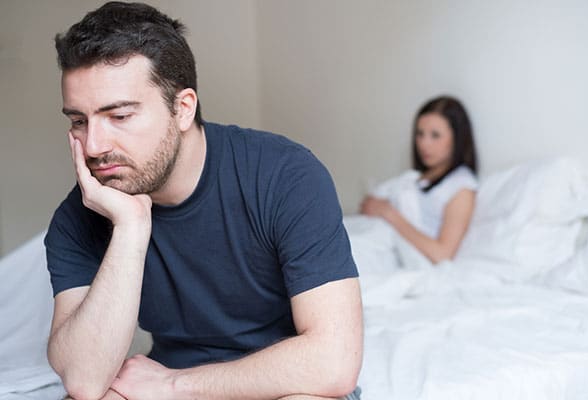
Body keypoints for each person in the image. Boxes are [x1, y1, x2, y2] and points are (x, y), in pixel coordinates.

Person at [44, 2, 363, 400]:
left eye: (120, 116)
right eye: (79, 121)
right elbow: (84, 380)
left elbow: (334, 362)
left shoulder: (286, 175)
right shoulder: (80, 215)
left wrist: (177, 386)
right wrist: (130, 229)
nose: (93, 146)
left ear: (182, 108)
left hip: (286, 383)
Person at [360, 96, 478, 264]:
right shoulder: (417, 178)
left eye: (435, 135)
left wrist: (388, 213)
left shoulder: (462, 186)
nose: (424, 144)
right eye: (420, 134)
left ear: (457, 139)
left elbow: (443, 254)